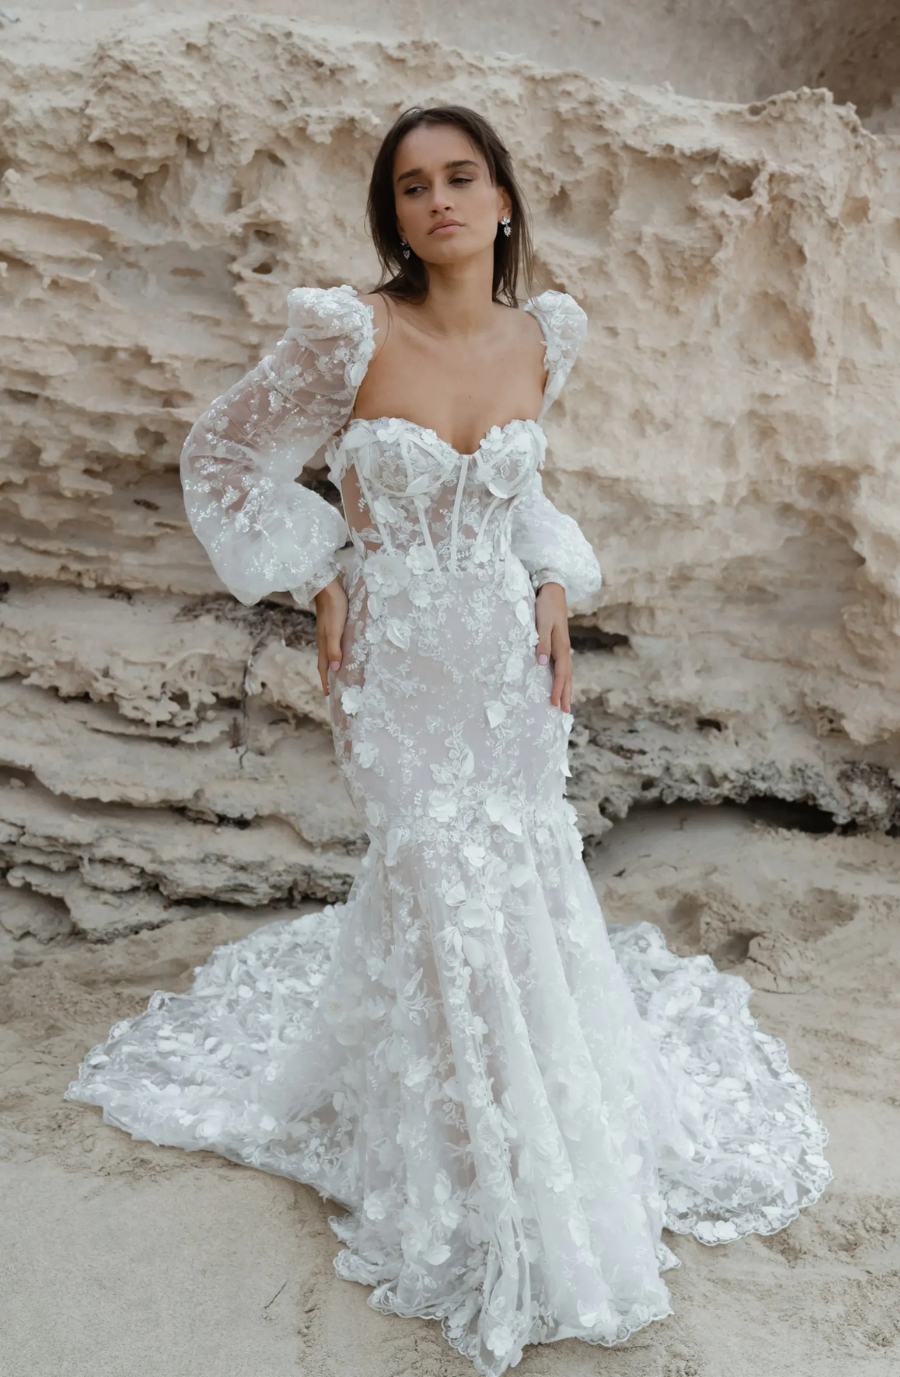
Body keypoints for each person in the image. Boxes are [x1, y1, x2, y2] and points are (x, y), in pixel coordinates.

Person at [65, 105, 832, 1375]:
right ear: (396, 215)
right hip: (397, 660)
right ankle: (467, 1163)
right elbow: (229, 457)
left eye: (461, 178)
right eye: (413, 186)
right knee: (434, 871)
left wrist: (550, 586)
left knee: (523, 867)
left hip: (507, 662)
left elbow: (524, 493)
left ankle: (540, 1126)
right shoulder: (348, 333)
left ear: (504, 202)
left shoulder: (546, 336)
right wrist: (321, 567)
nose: (438, 202)